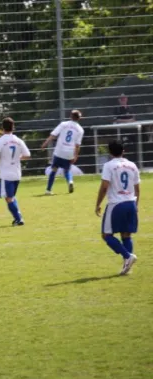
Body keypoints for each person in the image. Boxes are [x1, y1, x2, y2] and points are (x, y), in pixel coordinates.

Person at [95, 140, 140, 275]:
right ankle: (127, 265)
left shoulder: (109, 166)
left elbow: (104, 187)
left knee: (106, 235)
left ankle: (127, 256)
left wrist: (97, 204)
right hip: (131, 203)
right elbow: (137, 188)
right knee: (126, 235)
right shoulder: (133, 165)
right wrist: (135, 205)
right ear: (123, 151)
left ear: (109, 152)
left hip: (116, 204)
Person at [0, 117, 31, 226]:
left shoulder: (0, 141)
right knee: (11, 197)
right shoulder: (18, 140)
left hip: (6, 174)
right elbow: (27, 155)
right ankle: (18, 217)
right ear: (13, 127)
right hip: (17, 173)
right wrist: (17, 158)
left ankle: (18, 219)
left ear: (2, 127)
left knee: (8, 198)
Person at [40, 110, 84, 195]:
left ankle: (48, 190)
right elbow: (77, 145)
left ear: (70, 116)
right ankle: (70, 181)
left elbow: (53, 135)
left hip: (59, 151)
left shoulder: (63, 124)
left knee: (54, 170)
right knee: (67, 170)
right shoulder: (80, 130)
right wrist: (75, 156)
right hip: (69, 153)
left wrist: (45, 143)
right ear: (79, 118)